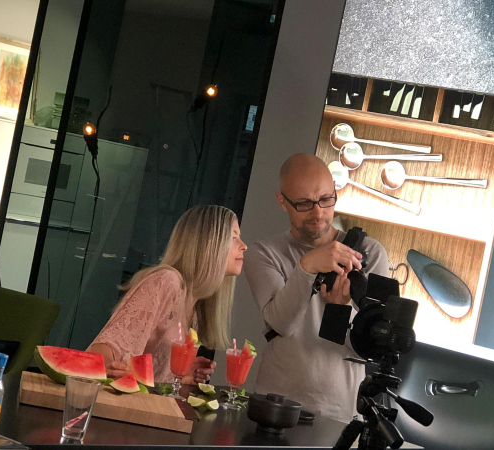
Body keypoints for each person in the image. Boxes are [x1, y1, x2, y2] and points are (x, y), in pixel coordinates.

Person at [244, 153, 389, 423]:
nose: (318, 213)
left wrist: (340, 312)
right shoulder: (263, 253)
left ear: (335, 192)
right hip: (275, 404)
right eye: (304, 204)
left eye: (325, 199)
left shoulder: (370, 253)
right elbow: (282, 324)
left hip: (341, 410)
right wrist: (307, 266)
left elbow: (375, 346)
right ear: (282, 201)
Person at [88, 205, 247, 385]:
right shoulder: (166, 282)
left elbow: (153, 381)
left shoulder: (193, 308)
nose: (244, 246)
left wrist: (182, 378)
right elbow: (103, 349)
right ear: (209, 244)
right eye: (234, 238)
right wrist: (110, 369)